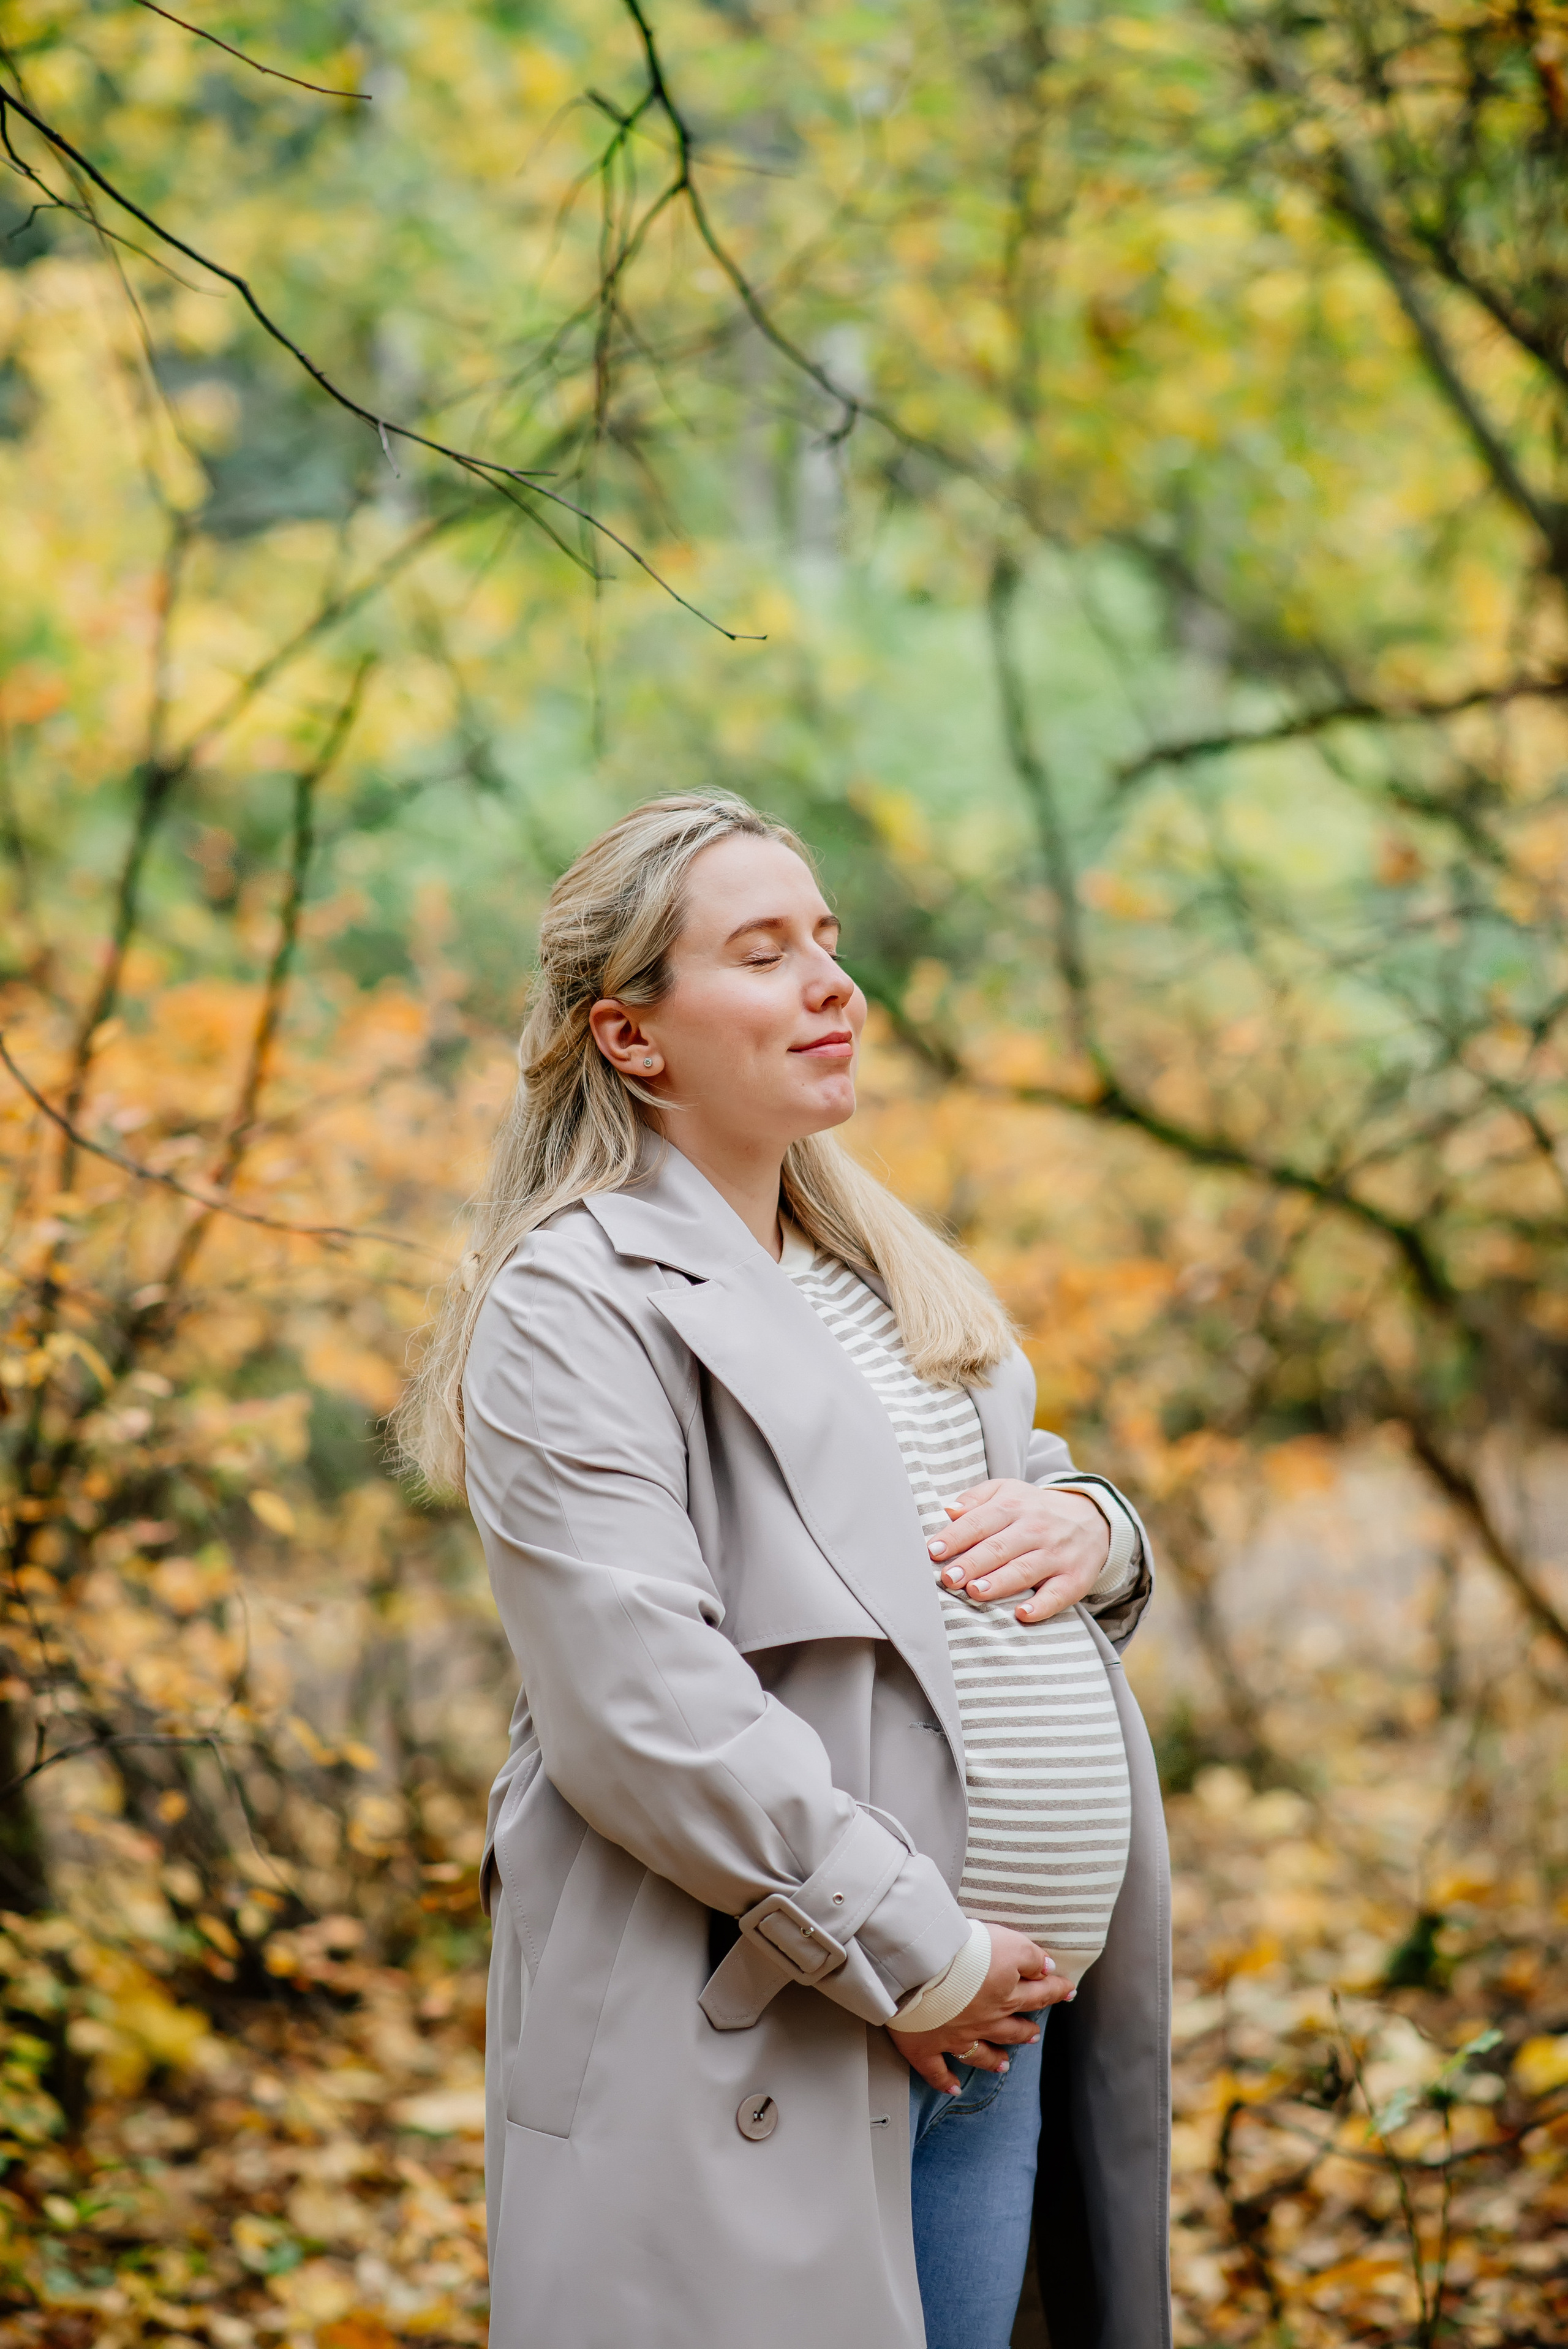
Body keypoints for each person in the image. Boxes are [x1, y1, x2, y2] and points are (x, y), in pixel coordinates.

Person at [396, 793, 1171, 2349]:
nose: (833, 984)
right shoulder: (571, 1298)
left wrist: (1098, 1527)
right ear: (630, 1035)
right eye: (761, 954)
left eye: (825, 939)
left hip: (989, 2034)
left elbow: (1006, 1492)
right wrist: (925, 1956)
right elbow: (646, 1710)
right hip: (777, 2032)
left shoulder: (873, 1268)